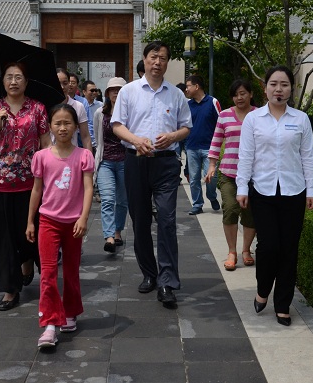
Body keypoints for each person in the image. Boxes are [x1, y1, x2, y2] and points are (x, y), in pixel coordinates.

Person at [111, 41, 191, 308]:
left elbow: (186, 128)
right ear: (144, 59)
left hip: (166, 164)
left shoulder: (176, 95)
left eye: (163, 58)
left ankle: (167, 281)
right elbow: (117, 125)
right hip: (136, 161)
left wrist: (172, 136)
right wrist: (136, 140)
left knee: (167, 220)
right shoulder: (129, 91)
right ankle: (149, 273)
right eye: (154, 57)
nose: (158, 62)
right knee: (140, 220)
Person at [236, 65, 313, 327]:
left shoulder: (301, 119)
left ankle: (283, 304)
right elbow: (246, 155)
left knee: (289, 250)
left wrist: (311, 189)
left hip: (294, 191)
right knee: (269, 247)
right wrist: (241, 187)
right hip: (263, 191)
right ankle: (263, 289)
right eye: (273, 84)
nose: (278, 89)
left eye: (284, 84)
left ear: (291, 89)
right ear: (265, 88)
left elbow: (308, 156)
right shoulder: (254, 119)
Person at [0, 62, 50, 310]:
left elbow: (45, 143)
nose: (14, 81)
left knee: (28, 233)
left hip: (30, 184)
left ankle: (27, 261)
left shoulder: (37, 108)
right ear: (3, 81)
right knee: (2, 239)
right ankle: (10, 289)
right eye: (9, 77)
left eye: (19, 77)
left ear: (26, 82)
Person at [26, 103, 94, 348]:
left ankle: (71, 311)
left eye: (67, 123)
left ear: (76, 126)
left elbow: (88, 188)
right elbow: (36, 190)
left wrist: (84, 217)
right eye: (58, 123)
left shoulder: (83, 156)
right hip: (48, 221)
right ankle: (50, 324)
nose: (63, 128)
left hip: (73, 223)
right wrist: (30, 221)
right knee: (48, 273)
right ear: (50, 127)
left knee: (72, 271)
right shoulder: (41, 156)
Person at [206, 79, 258, 271]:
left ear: (251, 94)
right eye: (235, 95)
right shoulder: (225, 116)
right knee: (230, 209)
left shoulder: (259, 115)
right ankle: (232, 252)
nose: (239, 98)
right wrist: (212, 165)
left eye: (243, 93)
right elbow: (216, 141)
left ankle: (246, 250)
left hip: (254, 175)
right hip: (229, 173)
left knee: (250, 213)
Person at [93, 77, 129, 253]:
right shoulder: (100, 113)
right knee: (107, 199)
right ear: (107, 93)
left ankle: (117, 232)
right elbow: (97, 138)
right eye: (112, 89)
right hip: (105, 161)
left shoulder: (129, 112)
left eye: (119, 89)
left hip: (125, 161)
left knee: (122, 201)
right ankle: (109, 237)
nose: (116, 92)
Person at [184, 75, 222, 215]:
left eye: (188, 86)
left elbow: (221, 123)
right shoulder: (188, 105)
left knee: (212, 177)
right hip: (191, 147)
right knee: (194, 179)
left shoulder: (213, 102)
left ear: (196, 86)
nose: (186, 89)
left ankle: (211, 196)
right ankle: (197, 204)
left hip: (209, 148)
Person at [56, 68, 91, 149]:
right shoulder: (46, 107)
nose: (62, 87)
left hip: (74, 154)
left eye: (65, 83)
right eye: (58, 83)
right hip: (51, 154)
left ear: (69, 84)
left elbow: (85, 136)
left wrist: (88, 155)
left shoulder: (78, 106)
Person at [81, 79, 102, 149]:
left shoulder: (101, 105)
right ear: (84, 92)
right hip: (82, 142)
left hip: (97, 143)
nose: (94, 92)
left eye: (96, 90)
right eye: (92, 90)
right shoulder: (80, 105)